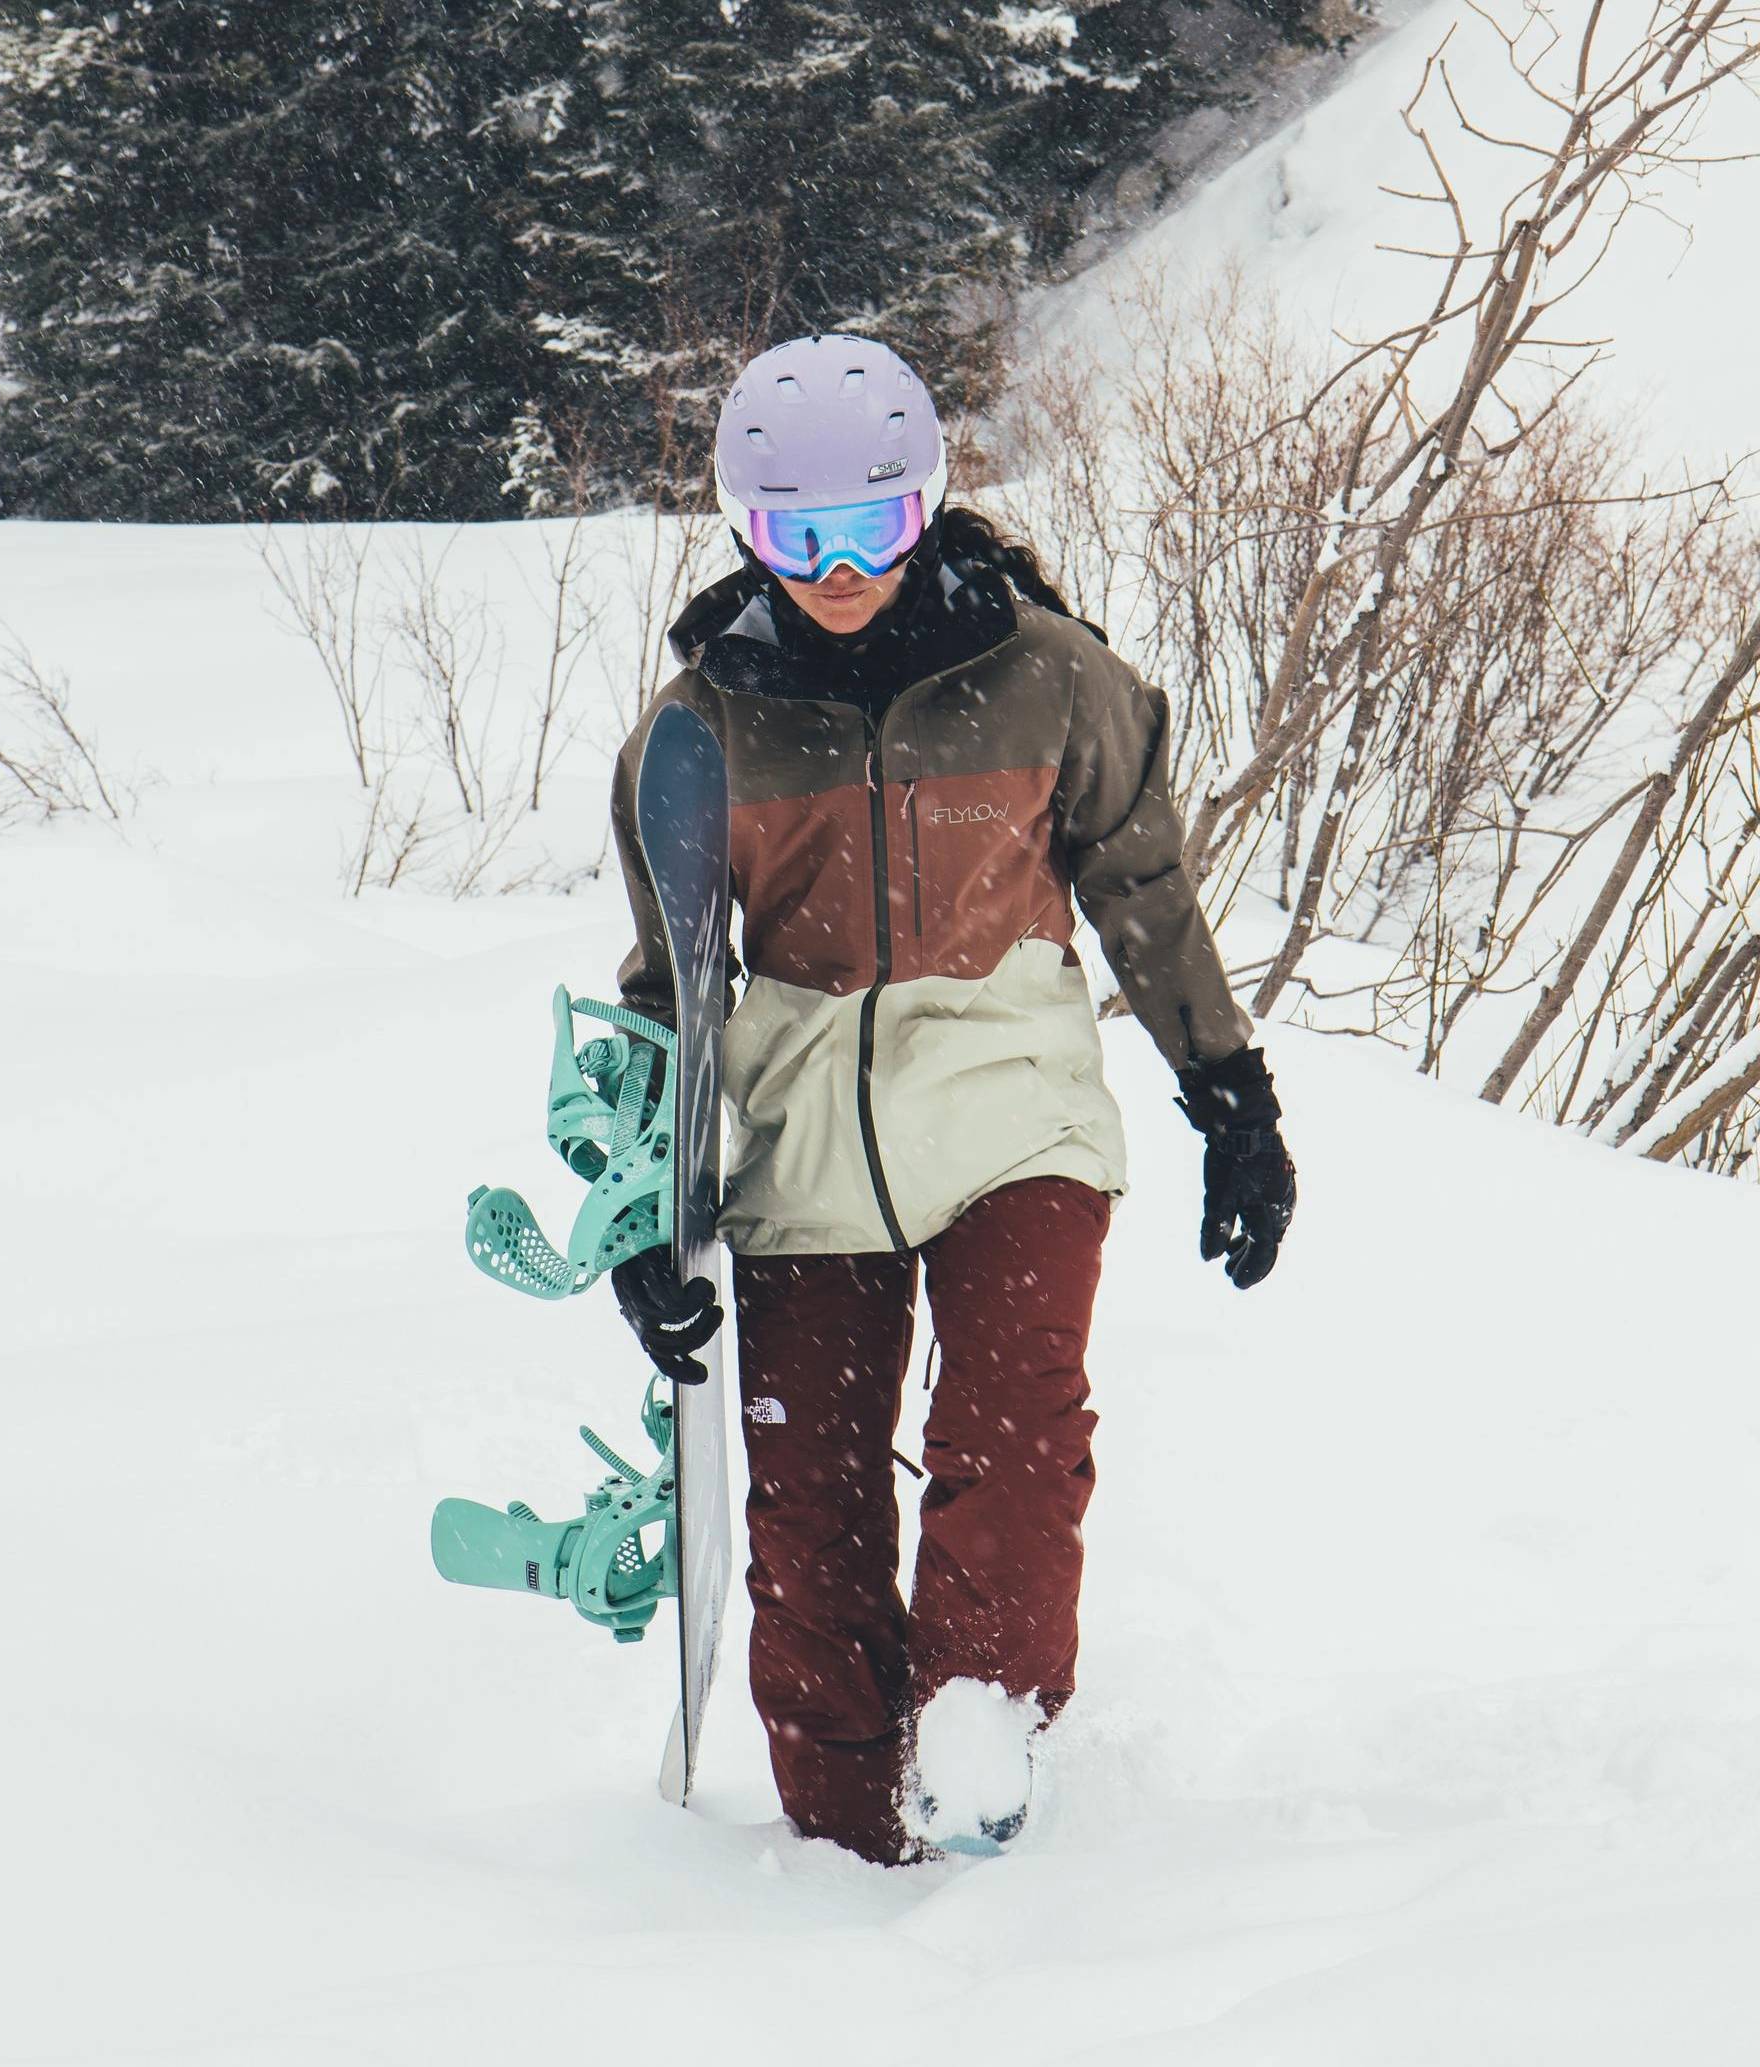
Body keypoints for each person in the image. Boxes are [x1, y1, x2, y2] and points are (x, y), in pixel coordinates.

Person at [607, 333, 1296, 1864]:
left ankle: (983, 1729)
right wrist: (641, 1219)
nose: (837, 570)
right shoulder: (694, 735)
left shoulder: (1051, 680)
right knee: (812, 1508)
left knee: (1011, 1424)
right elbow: (668, 997)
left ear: (926, 510)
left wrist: (1229, 1097)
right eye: (797, 537)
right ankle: (848, 1840)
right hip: (801, 1152)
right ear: (742, 525)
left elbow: (1144, 891)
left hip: (1013, 1116)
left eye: (870, 531)